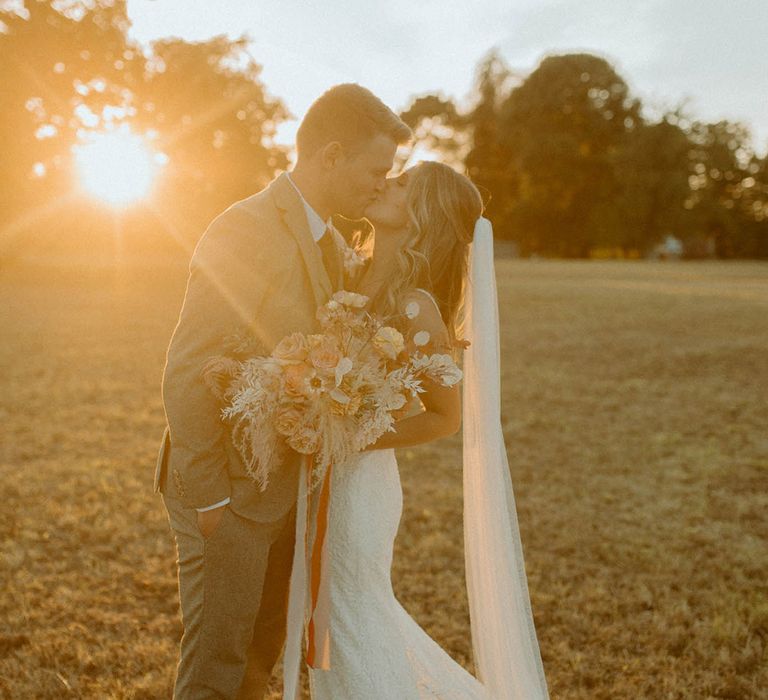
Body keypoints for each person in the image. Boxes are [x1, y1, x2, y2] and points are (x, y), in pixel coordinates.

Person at [153, 83, 411, 699]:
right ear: (330, 156)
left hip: (289, 488)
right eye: (376, 169)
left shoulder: (335, 239)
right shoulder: (245, 227)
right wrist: (211, 498)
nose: (382, 183)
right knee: (218, 662)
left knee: (258, 661)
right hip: (230, 495)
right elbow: (189, 366)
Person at [296, 161, 550, 699]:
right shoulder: (350, 275)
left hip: (359, 487)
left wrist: (346, 437)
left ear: (422, 214)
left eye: (404, 182)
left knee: (352, 618)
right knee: (334, 624)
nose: (384, 180)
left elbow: (445, 417)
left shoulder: (415, 304)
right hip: (321, 474)